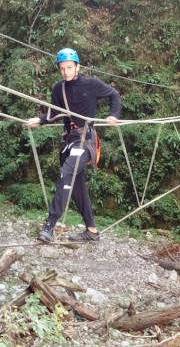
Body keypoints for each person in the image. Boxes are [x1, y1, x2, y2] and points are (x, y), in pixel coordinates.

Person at [27, 48, 121, 243]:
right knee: (77, 188)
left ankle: (49, 225)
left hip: (85, 141)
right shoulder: (58, 89)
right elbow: (54, 113)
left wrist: (113, 114)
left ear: (77, 67)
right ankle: (92, 231)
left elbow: (114, 95)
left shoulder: (91, 84)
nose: (66, 72)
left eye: (69, 67)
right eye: (62, 68)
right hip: (68, 142)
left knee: (66, 174)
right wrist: (40, 119)